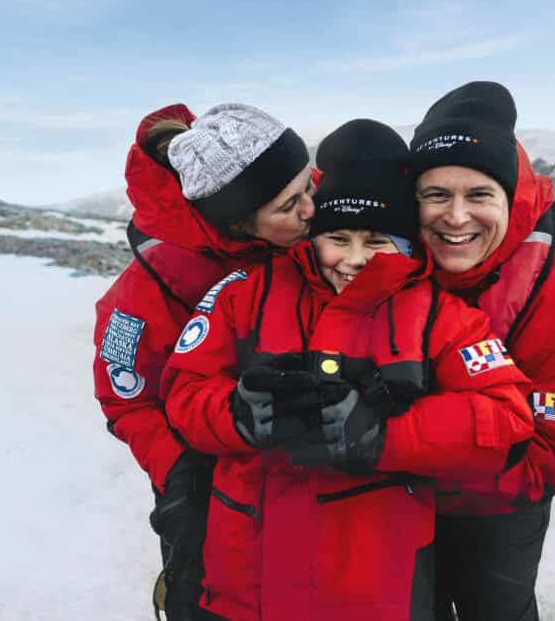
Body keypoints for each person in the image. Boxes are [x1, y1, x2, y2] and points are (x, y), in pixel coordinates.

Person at [160, 119, 536, 621]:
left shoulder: (442, 319)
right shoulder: (245, 295)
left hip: (373, 597)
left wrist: (382, 433)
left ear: (405, 244)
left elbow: (507, 419)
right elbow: (183, 391)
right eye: (337, 237)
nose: (354, 259)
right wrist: (236, 414)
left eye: (377, 241)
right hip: (239, 594)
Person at [92, 102, 315, 618]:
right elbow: (124, 397)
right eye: (289, 206)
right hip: (201, 473)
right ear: (239, 225)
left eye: (309, 187)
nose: (311, 209)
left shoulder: (299, 212)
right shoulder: (150, 287)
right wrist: (181, 476)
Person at [406, 81, 555, 621]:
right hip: (396, 506)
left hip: (499, 513)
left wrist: (407, 450)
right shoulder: (379, 256)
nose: (456, 217)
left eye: (479, 195)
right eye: (436, 195)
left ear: (509, 198)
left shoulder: (554, 288)